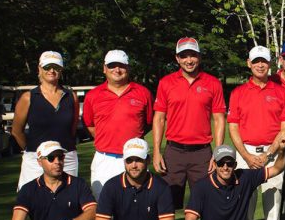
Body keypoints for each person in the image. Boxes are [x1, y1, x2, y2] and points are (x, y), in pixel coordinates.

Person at [227, 46, 285, 220]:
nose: (260, 65)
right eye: (256, 62)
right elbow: (233, 127)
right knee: (245, 208)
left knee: (273, 209)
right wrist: (245, 156)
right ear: (249, 64)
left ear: (270, 64)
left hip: (272, 155)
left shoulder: (281, 92)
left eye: (264, 61)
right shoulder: (238, 93)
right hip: (246, 156)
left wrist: (268, 153)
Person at [152, 37, 227, 209]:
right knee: (168, 203)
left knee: (205, 203)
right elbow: (159, 118)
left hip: (202, 153)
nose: (189, 60)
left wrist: (218, 152)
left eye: (192, 55)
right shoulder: (166, 83)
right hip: (174, 152)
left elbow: (219, 119)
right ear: (177, 58)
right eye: (184, 56)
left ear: (199, 57)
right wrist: (156, 152)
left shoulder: (213, 83)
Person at [83, 50, 153, 199]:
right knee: (103, 204)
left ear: (128, 68)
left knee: (136, 203)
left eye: (121, 65)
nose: (117, 70)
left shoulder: (143, 93)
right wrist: (107, 139)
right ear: (104, 68)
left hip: (135, 158)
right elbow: (90, 124)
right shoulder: (93, 95)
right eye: (112, 66)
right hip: (104, 158)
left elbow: (147, 123)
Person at [12, 51, 79, 190]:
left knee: (68, 203)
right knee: (32, 203)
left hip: (66, 159)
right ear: (39, 69)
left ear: (61, 70)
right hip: (35, 161)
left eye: (56, 67)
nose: (52, 71)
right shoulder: (28, 97)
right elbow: (17, 131)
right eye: (47, 67)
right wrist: (32, 149)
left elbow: (72, 129)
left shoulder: (71, 97)